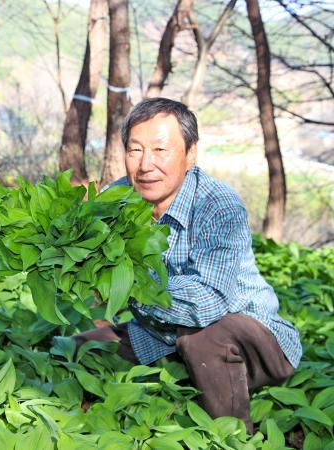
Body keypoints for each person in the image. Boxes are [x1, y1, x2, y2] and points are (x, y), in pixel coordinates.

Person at [74, 98, 301, 433]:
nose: (146, 164)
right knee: (81, 348)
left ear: (190, 153)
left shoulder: (217, 203)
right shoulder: (117, 197)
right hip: (164, 332)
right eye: (135, 150)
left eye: (160, 150)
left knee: (204, 337)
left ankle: (231, 436)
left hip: (256, 342)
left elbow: (208, 303)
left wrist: (125, 287)